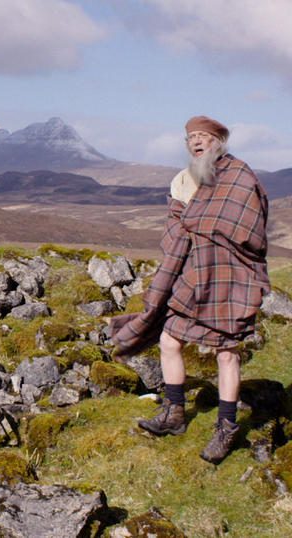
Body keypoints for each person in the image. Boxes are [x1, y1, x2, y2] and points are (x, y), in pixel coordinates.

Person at [110, 115, 270, 464]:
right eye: (191, 138)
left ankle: (226, 428)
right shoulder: (182, 182)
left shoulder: (240, 175)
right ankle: (174, 415)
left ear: (219, 142)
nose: (197, 142)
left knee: (226, 353)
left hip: (229, 278)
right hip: (194, 277)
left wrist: (200, 223)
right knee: (169, 339)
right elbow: (175, 230)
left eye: (204, 137)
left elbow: (251, 228)